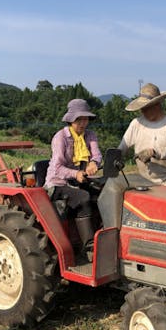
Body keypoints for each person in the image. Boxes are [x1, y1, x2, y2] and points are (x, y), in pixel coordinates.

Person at [98, 82, 166, 229]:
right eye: (141, 108)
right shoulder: (136, 124)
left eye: (146, 108)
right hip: (144, 179)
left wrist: (154, 152)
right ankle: (113, 230)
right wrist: (109, 162)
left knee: (161, 216)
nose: (143, 111)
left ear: (157, 105)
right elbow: (122, 147)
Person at [44, 99, 102, 257]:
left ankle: (103, 235)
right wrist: (75, 173)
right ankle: (89, 248)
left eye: (86, 119)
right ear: (71, 119)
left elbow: (96, 155)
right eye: (79, 119)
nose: (83, 123)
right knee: (83, 198)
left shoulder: (90, 135)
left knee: (104, 194)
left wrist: (93, 163)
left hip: (79, 180)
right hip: (58, 182)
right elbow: (57, 167)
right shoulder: (60, 137)